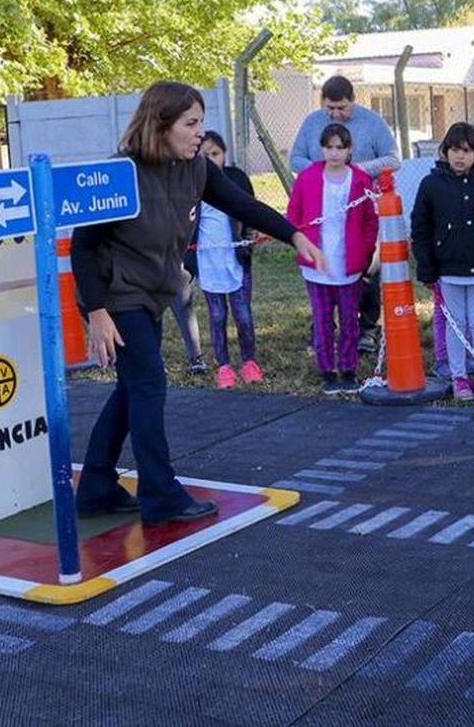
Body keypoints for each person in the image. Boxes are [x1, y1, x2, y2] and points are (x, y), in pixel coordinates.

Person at [73, 80, 326, 525]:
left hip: (150, 293)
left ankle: (95, 485)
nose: (199, 133)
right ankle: (160, 495)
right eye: (190, 124)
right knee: (149, 384)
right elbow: (84, 246)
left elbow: (243, 205)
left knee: (132, 387)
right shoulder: (121, 173)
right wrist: (97, 313)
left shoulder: (196, 169)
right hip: (114, 297)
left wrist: (295, 235)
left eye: (201, 123)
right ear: (161, 125)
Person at [288, 75, 400, 355]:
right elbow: (295, 159)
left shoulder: (372, 122)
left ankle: (368, 329)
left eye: (342, 107)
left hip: (361, 207)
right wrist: (324, 170)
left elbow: (393, 158)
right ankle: (323, 327)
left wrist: (356, 171)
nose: (335, 114)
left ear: (353, 101)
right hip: (324, 209)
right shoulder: (313, 122)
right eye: (330, 108)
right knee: (322, 267)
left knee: (367, 267)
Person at [411, 122, 474, 403]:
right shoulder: (431, 184)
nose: (459, 156)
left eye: (466, 151)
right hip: (447, 268)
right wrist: (427, 267)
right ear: (445, 151)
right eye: (454, 149)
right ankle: (458, 377)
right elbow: (420, 227)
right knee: (455, 323)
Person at [286, 123, 379, 394]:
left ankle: (348, 369)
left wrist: (364, 253)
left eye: (340, 147)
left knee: (350, 319)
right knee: (323, 319)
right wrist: (301, 244)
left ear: (349, 150)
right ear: (322, 149)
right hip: (317, 266)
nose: (335, 153)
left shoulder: (361, 180)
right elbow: (294, 213)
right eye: (329, 147)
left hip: (348, 264)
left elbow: (370, 223)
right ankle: (327, 370)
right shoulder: (307, 177)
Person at [185, 131, 262, 389]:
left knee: (242, 314)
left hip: (236, 258)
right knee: (217, 316)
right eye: (204, 155)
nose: (210, 160)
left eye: (215, 154)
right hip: (208, 261)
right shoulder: (190, 185)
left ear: (225, 154)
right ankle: (224, 366)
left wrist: (249, 239)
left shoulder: (236, 180)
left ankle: (249, 362)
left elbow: (251, 211)